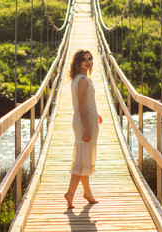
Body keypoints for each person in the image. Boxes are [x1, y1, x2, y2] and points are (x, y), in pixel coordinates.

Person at [64, 49, 103, 209]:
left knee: (85, 157)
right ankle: (70, 193)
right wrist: (87, 129)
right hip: (84, 123)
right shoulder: (82, 81)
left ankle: (87, 192)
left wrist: (97, 114)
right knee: (81, 159)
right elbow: (80, 106)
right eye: (84, 59)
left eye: (90, 58)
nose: (88, 62)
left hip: (89, 119)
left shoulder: (84, 79)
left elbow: (87, 103)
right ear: (78, 63)